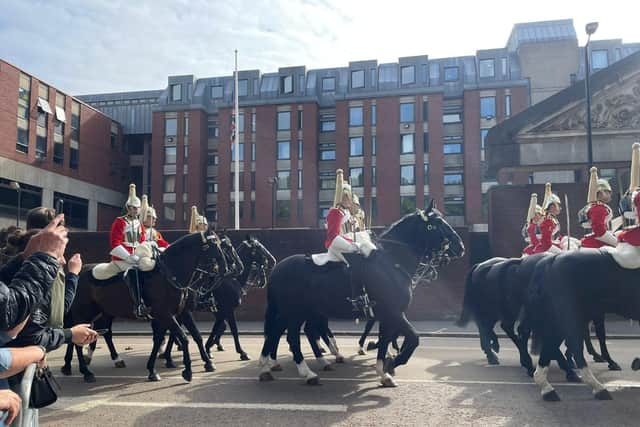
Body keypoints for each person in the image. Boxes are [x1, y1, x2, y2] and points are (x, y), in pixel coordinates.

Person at [4, 207, 97, 352]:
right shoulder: (43, 268)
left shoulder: (18, 260)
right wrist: (73, 275)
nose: (63, 261)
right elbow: (55, 316)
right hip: (20, 362)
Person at [91, 184, 154, 319]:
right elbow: (115, 243)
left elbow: (142, 242)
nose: (136, 210)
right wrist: (128, 256)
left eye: (137, 208)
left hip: (136, 256)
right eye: (134, 208)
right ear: (128, 208)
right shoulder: (119, 222)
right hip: (121, 258)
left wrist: (144, 253)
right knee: (134, 272)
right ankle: (138, 305)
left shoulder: (139, 224)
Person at [325, 169, 376, 317]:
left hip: (343, 240)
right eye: (346, 198)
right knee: (356, 256)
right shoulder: (335, 212)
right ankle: (356, 295)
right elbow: (333, 235)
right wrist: (351, 245)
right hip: (335, 243)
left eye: (349, 198)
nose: (349, 201)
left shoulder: (345, 213)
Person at [579, 167, 617, 248]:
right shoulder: (598, 209)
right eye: (608, 192)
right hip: (597, 242)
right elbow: (599, 231)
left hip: (597, 239)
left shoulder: (596, 207)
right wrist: (617, 243)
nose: (610, 195)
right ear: (600, 193)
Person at [533, 183, 563, 254]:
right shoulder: (548, 220)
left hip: (551, 244)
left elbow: (556, 236)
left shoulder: (553, 219)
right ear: (552, 207)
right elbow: (546, 241)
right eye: (558, 205)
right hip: (546, 248)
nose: (559, 208)